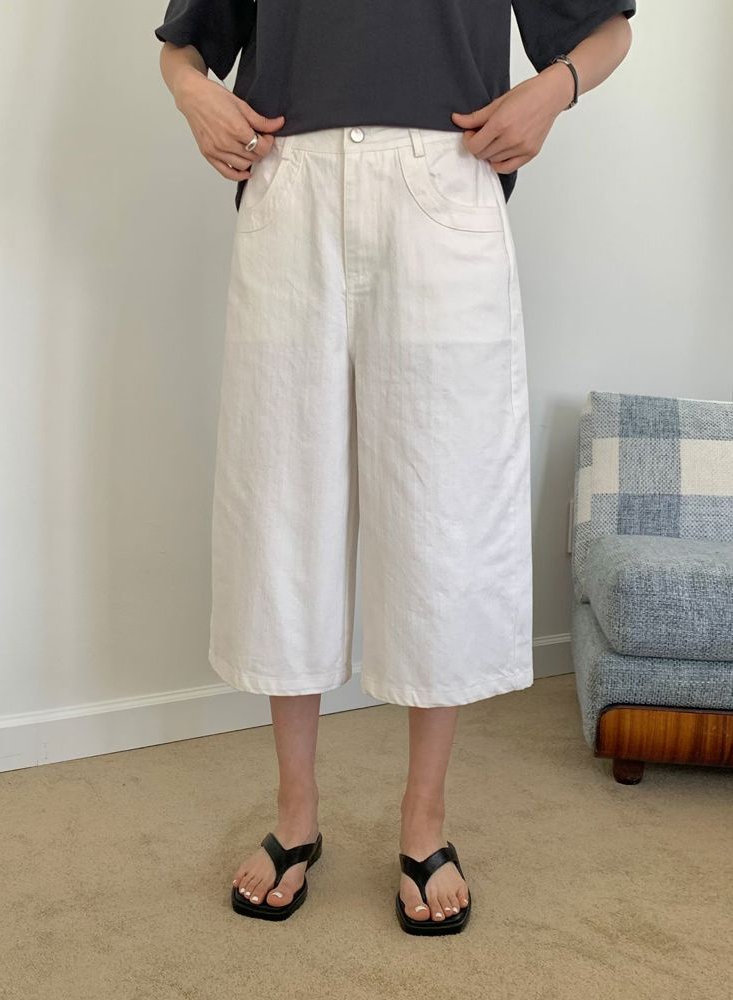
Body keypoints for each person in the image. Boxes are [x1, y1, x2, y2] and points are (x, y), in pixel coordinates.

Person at [155, 0, 636, 935]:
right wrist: (194, 96)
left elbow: (608, 29)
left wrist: (553, 90)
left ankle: (425, 818)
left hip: (444, 184)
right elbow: (184, 45)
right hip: (290, 187)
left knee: (440, 506)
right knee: (281, 502)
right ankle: (297, 811)